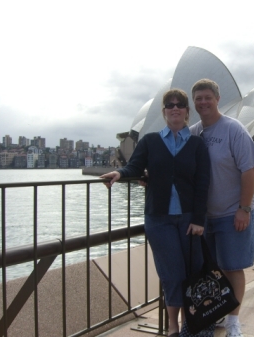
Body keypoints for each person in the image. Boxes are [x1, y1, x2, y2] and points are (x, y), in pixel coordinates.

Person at [100, 89, 211, 337]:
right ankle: (173, 326)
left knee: (192, 272)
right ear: (163, 111)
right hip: (159, 220)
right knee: (172, 273)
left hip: (188, 218)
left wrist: (198, 220)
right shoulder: (150, 141)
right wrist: (119, 174)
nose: (175, 108)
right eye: (170, 105)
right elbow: (134, 167)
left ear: (186, 111)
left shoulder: (196, 144)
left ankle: (190, 324)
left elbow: (203, 183)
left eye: (180, 105)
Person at [190, 79, 254, 337]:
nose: (203, 102)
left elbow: (250, 169)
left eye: (207, 97)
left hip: (233, 212)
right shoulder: (194, 132)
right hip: (205, 217)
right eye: (198, 98)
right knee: (213, 268)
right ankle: (219, 311)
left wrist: (243, 208)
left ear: (218, 99)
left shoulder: (234, 129)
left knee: (232, 267)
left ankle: (233, 320)